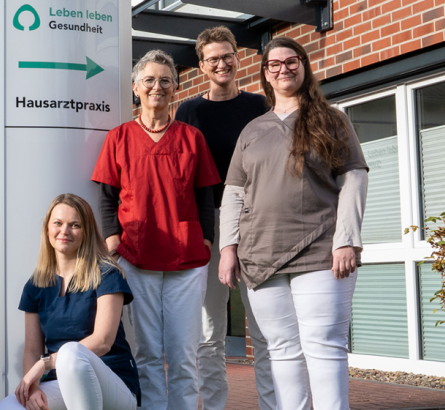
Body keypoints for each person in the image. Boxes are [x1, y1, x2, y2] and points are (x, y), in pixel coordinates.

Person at [218, 36, 368, 410]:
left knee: (323, 347)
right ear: (265, 74)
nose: (283, 69)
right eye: (274, 64)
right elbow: (234, 193)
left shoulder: (332, 120)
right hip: (260, 257)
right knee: (281, 351)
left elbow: (353, 179)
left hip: (321, 252)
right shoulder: (252, 130)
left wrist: (346, 240)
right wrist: (228, 248)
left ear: (303, 65)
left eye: (291, 61)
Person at [91, 49, 220, 410]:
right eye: (148, 80)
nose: (156, 87)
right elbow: (106, 197)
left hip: (187, 260)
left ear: (175, 87)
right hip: (136, 258)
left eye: (165, 80)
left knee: (183, 354)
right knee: (147, 353)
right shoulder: (118, 138)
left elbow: (205, 196)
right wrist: (113, 241)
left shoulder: (192, 138)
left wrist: (206, 241)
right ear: (136, 87)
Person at [173, 26, 275, 410]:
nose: (221, 63)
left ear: (237, 56)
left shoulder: (259, 106)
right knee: (209, 331)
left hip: (255, 222)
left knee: (264, 327)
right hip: (208, 226)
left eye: (227, 55)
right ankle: (214, 406)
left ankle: (273, 405)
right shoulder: (189, 112)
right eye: (212, 58)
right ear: (201, 66)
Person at [0, 193, 140, 410]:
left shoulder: (107, 274)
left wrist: (45, 363)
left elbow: (103, 341)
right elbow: (32, 350)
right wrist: (33, 388)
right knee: (6, 408)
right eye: (58, 223)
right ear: (47, 229)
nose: (65, 231)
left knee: (71, 353)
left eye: (75, 225)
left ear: (86, 232)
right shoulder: (36, 285)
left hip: (114, 383)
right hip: (60, 382)